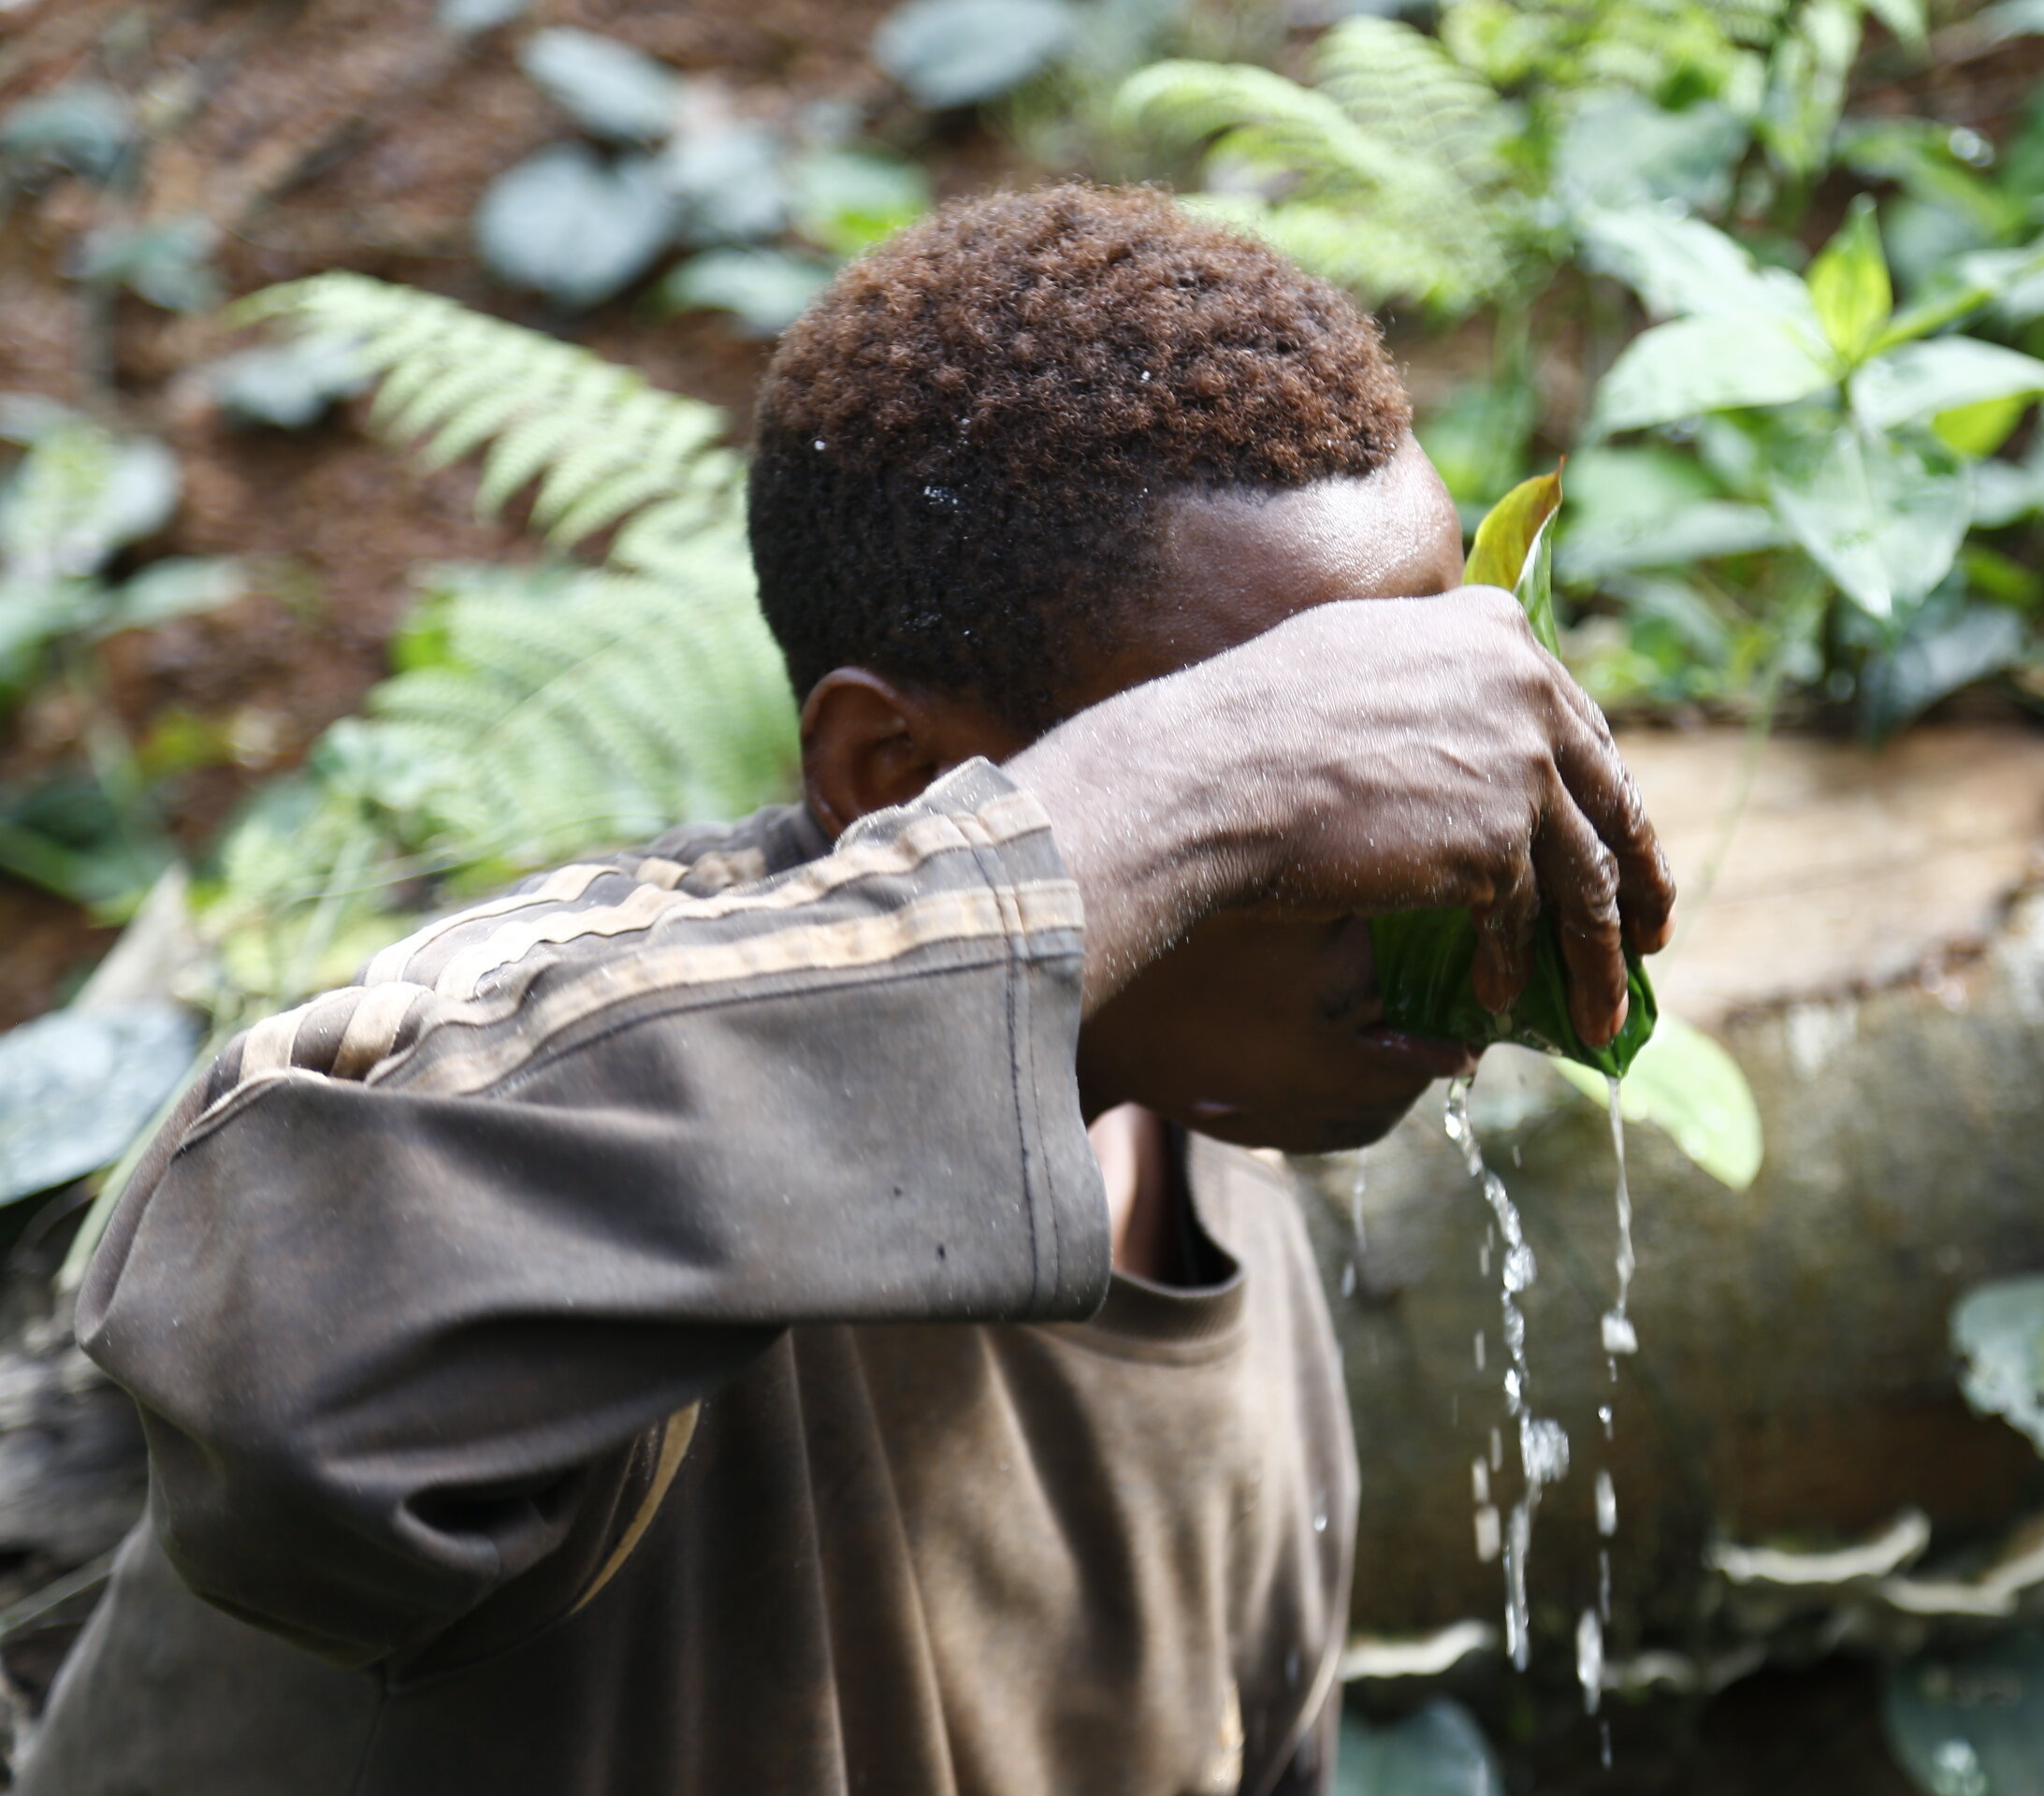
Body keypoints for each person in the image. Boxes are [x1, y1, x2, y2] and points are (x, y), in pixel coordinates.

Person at [20, 185, 1669, 1795]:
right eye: (1307, 788)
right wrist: (1215, 784)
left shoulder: (1206, 1166)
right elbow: (286, 1360)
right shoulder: (607, 1061)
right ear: (893, 772)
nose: (1438, 869)